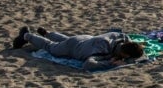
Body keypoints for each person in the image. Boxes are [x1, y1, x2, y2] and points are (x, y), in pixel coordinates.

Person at [12, 26, 144, 70]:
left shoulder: (124, 38)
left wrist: (125, 60)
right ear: (124, 52)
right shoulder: (102, 51)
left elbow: (139, 55)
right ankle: (26, 35)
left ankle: (48, 33)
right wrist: (110, 63)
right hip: (75, 47)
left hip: (86, 39)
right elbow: (88, 65)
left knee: (65, 40)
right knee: (51, 47)